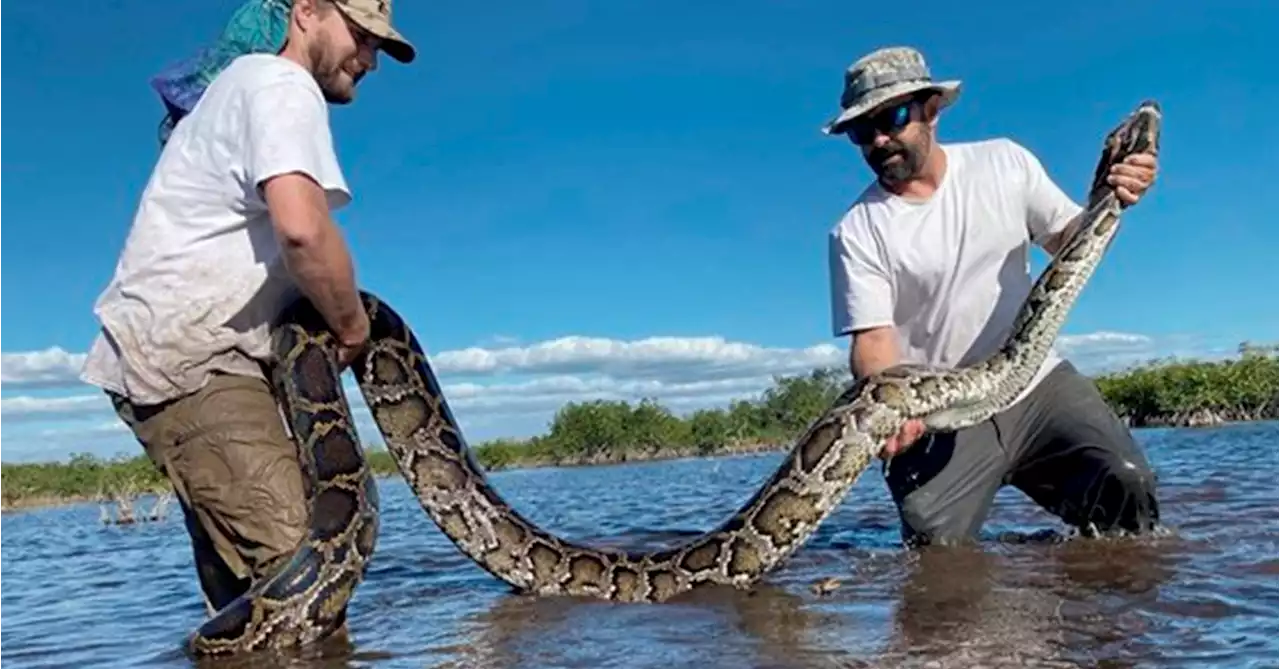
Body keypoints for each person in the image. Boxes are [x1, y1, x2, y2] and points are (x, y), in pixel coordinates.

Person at [79, 0, 416, 615]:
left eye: (379, 48)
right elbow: (302, 230)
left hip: (185, 352)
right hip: (197, 361)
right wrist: (350, 328)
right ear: (307, 11)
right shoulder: (278, 81)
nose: (369, 59)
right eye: (362, 36)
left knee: (245, 595)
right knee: (306, 569)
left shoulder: (237, 91)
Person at [821, 46, 1161, 547]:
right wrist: (892, 411)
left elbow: (1070, 242)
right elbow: (873, 342)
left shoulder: (1005, 161)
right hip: (937, 411)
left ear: (931, 109)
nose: (878, 139)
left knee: (1127, 484)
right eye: (860, 130)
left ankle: (1111, 617)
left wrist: (1113, 193)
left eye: (891, 118)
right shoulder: (855, 231)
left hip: (1035, 385)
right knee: (935, 552)